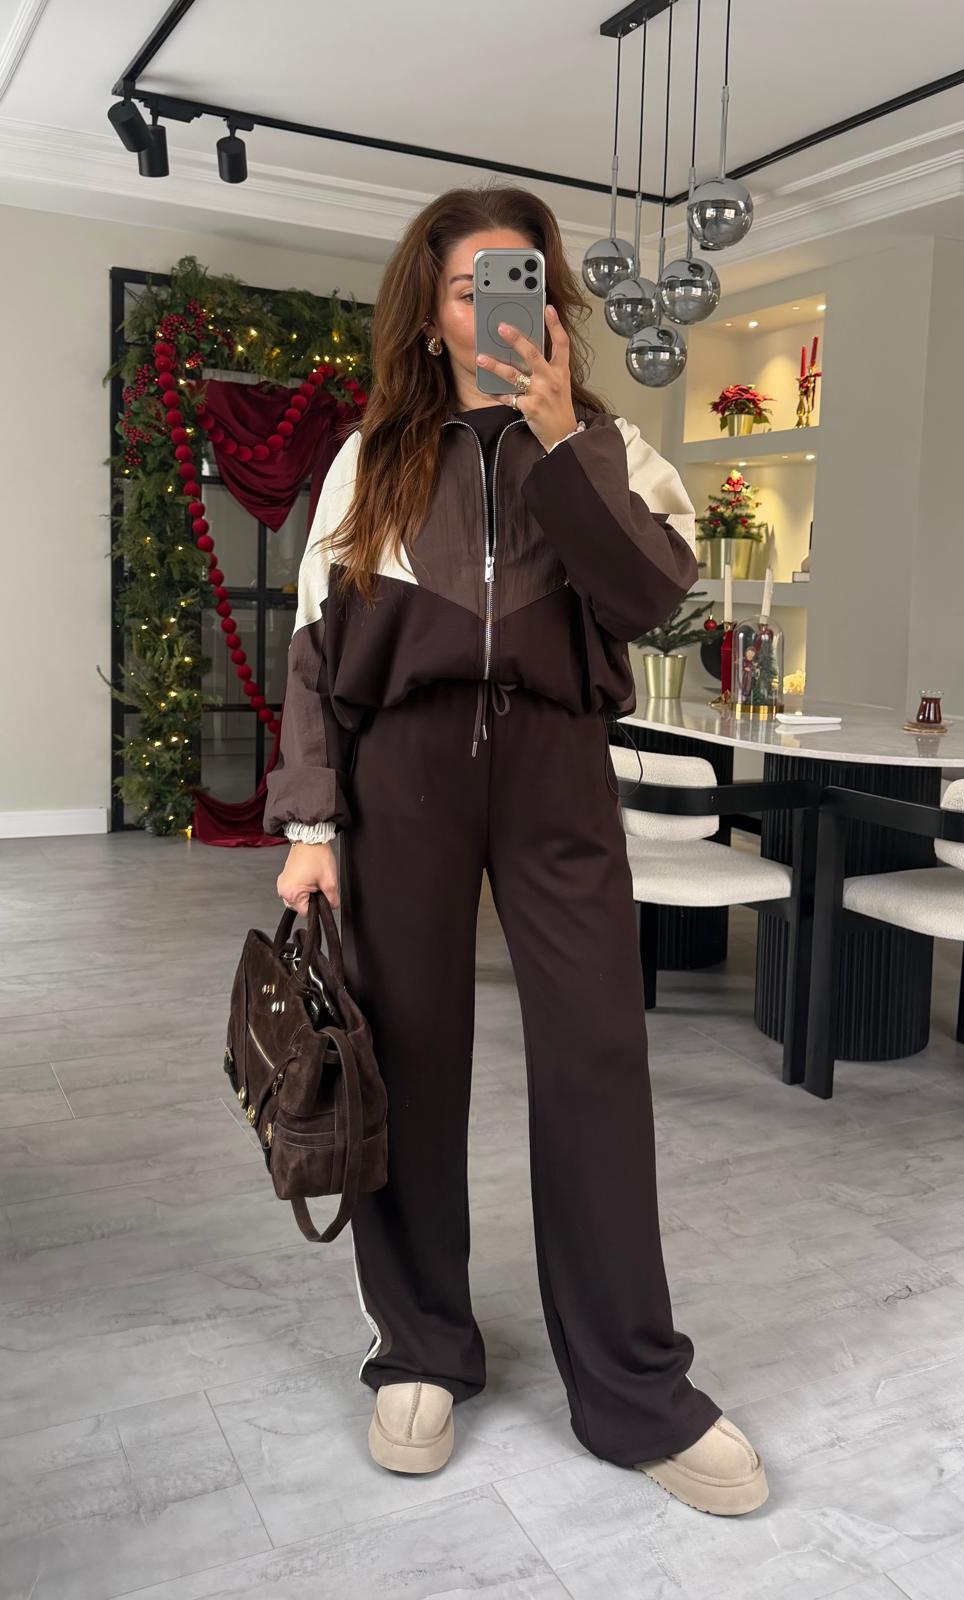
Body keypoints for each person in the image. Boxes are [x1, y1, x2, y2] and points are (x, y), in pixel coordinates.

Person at [264, 183, 769, 1517]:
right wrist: (310, 825)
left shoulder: (612, 446)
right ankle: (419, 1346)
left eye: (523, 282)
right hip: (403, 770)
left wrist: (559, 441)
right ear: (431, 316)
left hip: (555, 765)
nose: (499, 309)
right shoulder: (371, 461)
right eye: (469, 288)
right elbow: (313, 653)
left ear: (551, 302)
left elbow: (651, 598)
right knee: (408, 1059)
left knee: (598, 1058)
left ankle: (634, 1387)